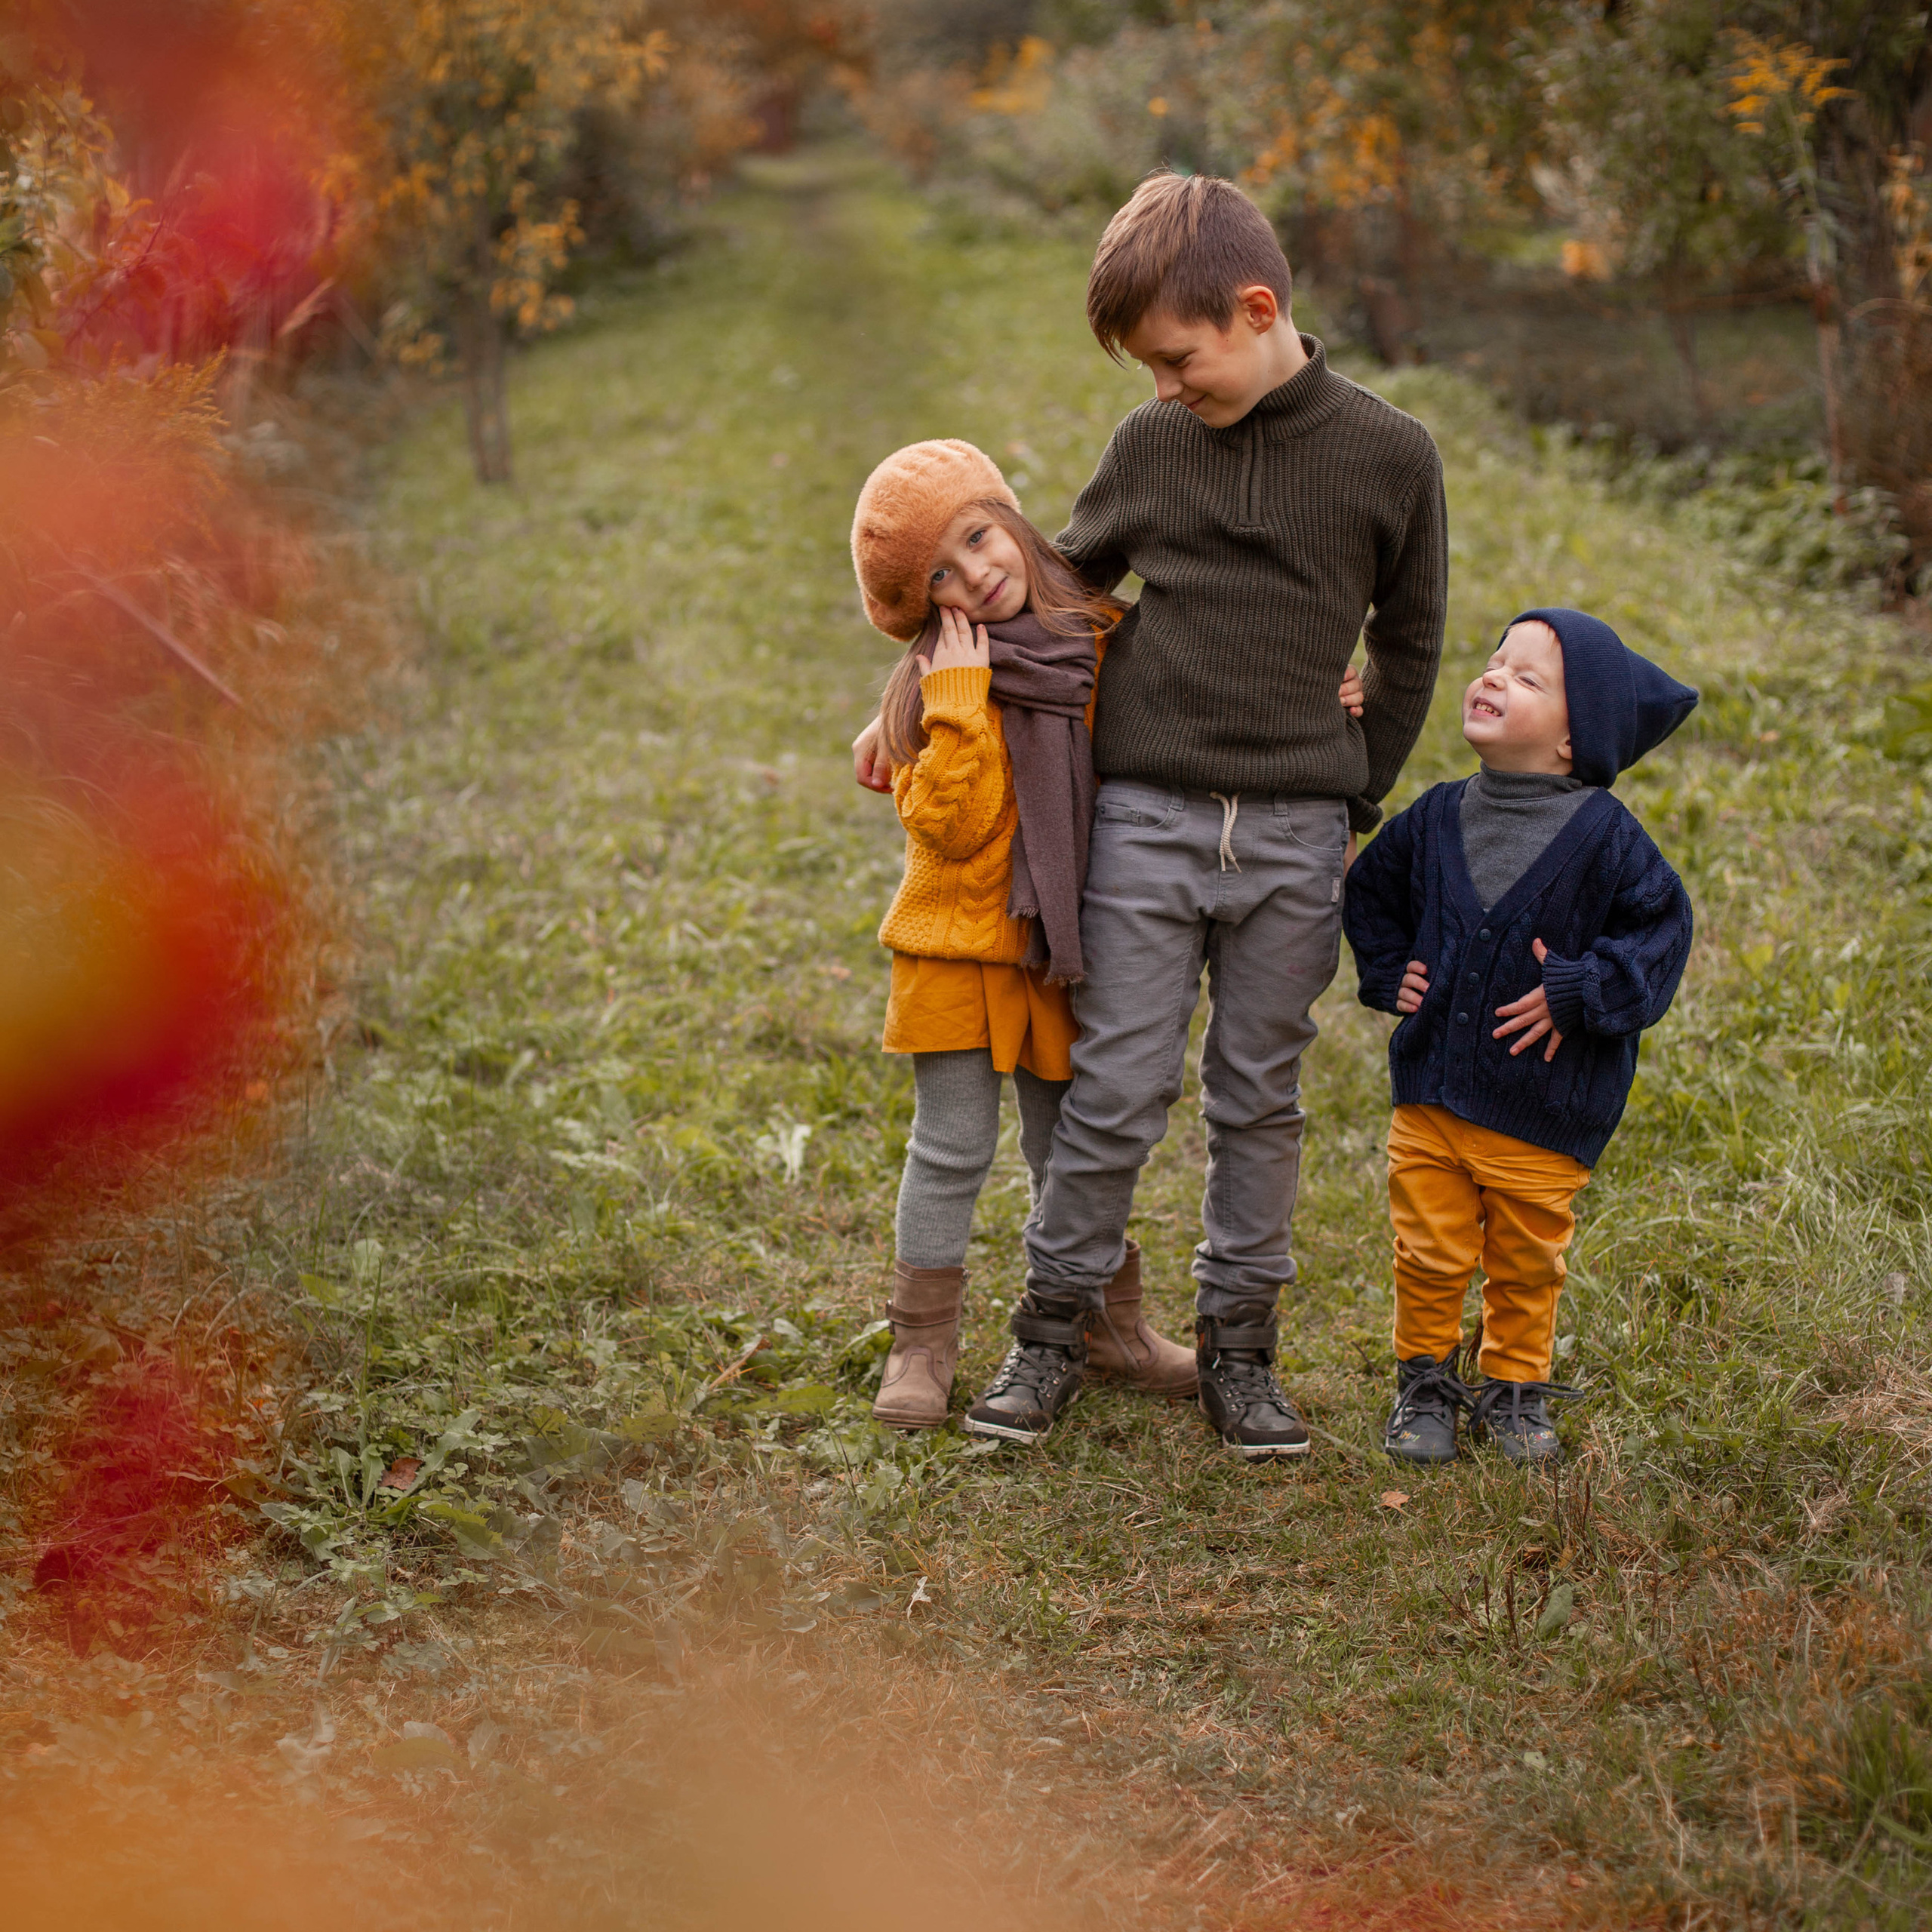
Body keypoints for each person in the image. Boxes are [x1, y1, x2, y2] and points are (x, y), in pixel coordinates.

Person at [851, 172, 1446, 1456]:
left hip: (1295, 833)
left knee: (1257, 1095)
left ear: (1257, 308)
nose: (1167, 387)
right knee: (1113, 1084)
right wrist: (907, 699)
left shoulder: (1391, 457)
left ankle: (1242, 1349)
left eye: (1179, 360)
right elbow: (1051, 593)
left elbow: (1411, 638)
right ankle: (1053, 1332)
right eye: (1149, 370)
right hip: (1145, 822)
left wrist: (1361, 780)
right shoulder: (1152, 446)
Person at [851, 438, 1197, 1429]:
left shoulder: (1098, 637)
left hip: (1058, 951)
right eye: (941, 578)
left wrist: (1321, 699)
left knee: (1071, 1152)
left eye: (976, 536)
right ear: (922, 608)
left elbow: (1189, 706)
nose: (976, 574)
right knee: (952, 1147)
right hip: (954, 952)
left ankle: (1104, 1324)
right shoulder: (933, 687)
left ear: (1007, 514)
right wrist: (955, 706)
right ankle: (921, 1348)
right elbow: (950, 831)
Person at [1342, 608, 1697, 1466]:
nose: (1495, 677)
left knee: (1525, 1260)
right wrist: (1389, 973)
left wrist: (1579, 990)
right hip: (1431, 1092)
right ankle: (1423, 1381)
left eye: (1528, 678)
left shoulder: (1608, 841)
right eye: (1495, 662)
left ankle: (1512, 1386)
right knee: (1427, 1248)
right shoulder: (1433, 818)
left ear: (1576, 742)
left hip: (1543, 1106)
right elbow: (1370, 895)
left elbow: (1662, 932)